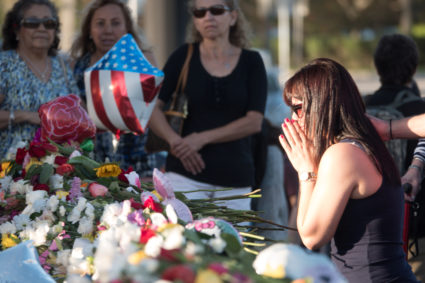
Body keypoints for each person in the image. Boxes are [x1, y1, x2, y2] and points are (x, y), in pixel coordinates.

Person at [279, 58, 418, 282]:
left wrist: (305, 172)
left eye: (298, 108)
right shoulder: (361, 145)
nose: (294, 119)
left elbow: (312, 236)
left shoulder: (344, 155)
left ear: (323, 105)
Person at [149, 0, 267, 210]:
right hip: (184, 174)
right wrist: (175, 141)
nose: (208, 17)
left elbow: (254, 122)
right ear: (195, 20)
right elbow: (152, 108)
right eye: (200, 12)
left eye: (217, 10)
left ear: (233, 17)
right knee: (179, 241)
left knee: (232, 242)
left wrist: (201, 139)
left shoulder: (252, 61)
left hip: (235, 180)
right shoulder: (182, 56)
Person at [70, 0, 160, 179]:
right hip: (91, 164)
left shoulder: (144, 60)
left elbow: (154, 108)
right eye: (100, 23)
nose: (108, 30)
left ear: (127, 28)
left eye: (115, 23)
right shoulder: (76, 66)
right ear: (89, 30)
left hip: (137, 161)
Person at [0, 0, 79, 160]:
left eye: (49, 23)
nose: (42, 28)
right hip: (10, 169)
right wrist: (27, 116)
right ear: (16, 29)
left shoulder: (62, 66)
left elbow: (78, 113)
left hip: (57, 170)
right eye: (32, 23)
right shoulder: (4, 64)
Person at [364, 33, 425, 177]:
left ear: (378, 68)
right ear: (414, 68)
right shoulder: (420, 109)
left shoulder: (362, 107)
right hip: (412, 192)